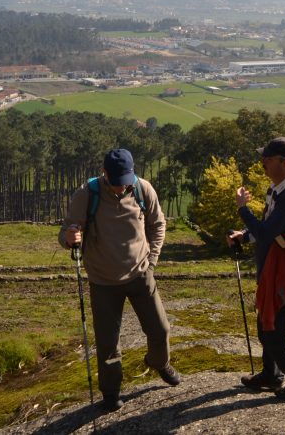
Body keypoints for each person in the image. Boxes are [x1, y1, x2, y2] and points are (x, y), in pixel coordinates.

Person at [59, 148, 181, 411]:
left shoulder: (142, 189)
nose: (119, 188)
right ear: (104, 173)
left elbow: (158, 224)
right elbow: (66, 231)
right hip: (103, 281)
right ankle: (111, 391)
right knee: (107, 342)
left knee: (160, 329)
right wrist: (69, 238)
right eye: (115, 182)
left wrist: (153, 260)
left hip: (140, 274)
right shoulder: (87, 194)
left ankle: (159, 363)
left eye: (124, 181)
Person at [227, 136, 285, 401]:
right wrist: (244, 235)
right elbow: (269, 228)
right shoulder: (278, 189)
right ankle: (272, 375)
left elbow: (267, 232)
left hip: (284, 275)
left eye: (267, 159)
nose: (262, 163)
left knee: (278, 333)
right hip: (273, 270)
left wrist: (243, 211)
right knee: (267, 325)